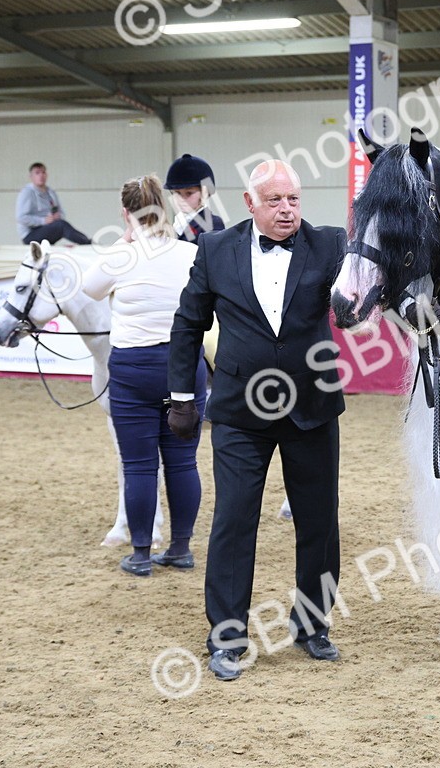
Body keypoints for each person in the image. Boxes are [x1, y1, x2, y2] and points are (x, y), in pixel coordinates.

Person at [166, 160, 346, 682]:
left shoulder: (331, 244)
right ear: (250, 204)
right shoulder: (215, 250)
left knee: (319, 522)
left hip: (311, 406)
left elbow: (366, 293)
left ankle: (314, 625)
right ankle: (226, 635)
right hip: (240, 411)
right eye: (275, 201)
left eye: (293, 199)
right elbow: (188, 323)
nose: (287, 209)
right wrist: (181, 396)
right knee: (234, 519)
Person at [81, 174, 206, 577]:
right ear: (164, 208)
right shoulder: (189, 252)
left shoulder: (121, 256)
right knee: (183, 462)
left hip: (134, 372)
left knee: (138, 465)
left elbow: (90, 289)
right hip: (181, 372)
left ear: (125, 213)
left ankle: (139, 553)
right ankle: (181, 548)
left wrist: (122, 241)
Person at [16, 163, 92, 245]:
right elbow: (21, 217)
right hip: (30, 235)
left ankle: (86, 241)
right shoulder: (27, 192)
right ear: (31, 176)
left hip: (48, 229)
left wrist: (56, 217)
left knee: (61, 224)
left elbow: (61, 213)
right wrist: (43, 221)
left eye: (43, 172)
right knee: (61, 226)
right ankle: (88, 243)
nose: (41, 175)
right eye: (37, 173)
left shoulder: (51, 193)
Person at [165, 153, 226, 243]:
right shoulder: (176, 225)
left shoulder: (213, 224)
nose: (181, 199)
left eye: (189, 193)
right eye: (177, 193)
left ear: (204, 193)